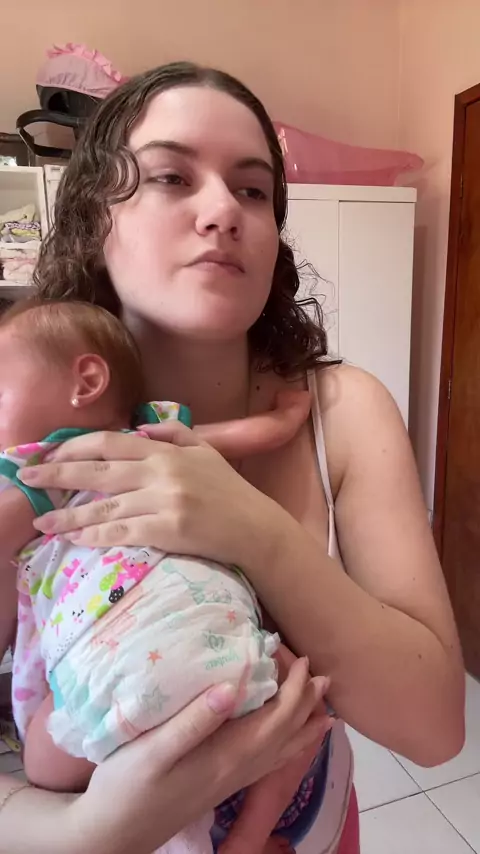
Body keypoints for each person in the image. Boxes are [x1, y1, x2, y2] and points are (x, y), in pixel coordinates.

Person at [0, 61, 465, 853]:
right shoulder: (25, 422)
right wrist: (83, 831)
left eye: (252, 190)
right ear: (91, 218)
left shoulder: (343, 413)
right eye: (171, 177)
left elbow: (434, 729)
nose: (222, 210)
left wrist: (255, 531)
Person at [0, 297, 319, 854]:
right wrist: (281, 422)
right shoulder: (155, 436)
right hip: (211, 636)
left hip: (107, 660)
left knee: (45, 765)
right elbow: (235, 438)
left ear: (87, 380)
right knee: (300, 709)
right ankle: (249, 836)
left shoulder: (36, 471)